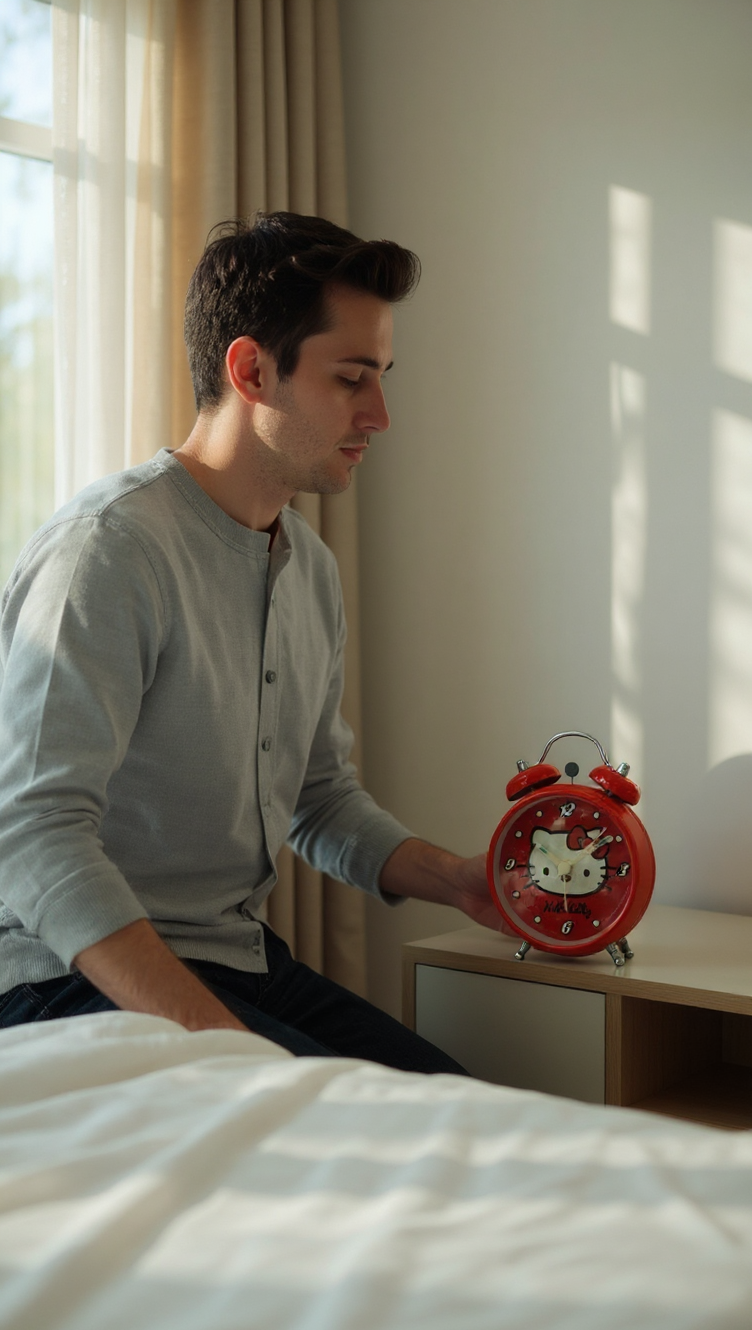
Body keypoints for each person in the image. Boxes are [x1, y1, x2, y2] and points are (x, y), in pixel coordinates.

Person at [0, 211, 500, 1070]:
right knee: (363, 1140)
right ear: (251, 369)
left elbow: (317, 796)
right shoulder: (111, 548)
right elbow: (34, 830)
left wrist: (454, 880)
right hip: (64, 977)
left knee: (457, 1104)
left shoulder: (307, 567)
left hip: (238, 958)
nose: (380, 414)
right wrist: (222, 1047)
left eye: (380, 377)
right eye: (353, 379)